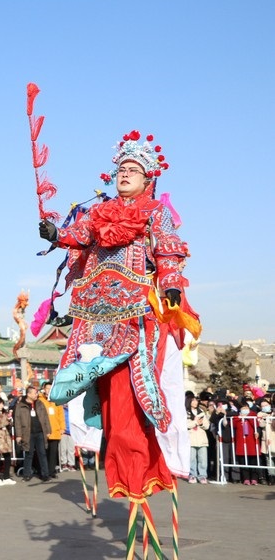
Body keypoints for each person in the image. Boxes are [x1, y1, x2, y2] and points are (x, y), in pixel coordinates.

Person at [38, 129, 200, 502]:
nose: (124, 174)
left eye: (132, 170)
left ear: (147, 178)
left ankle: (146, 468)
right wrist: (55, 234)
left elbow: (168, 250)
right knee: (106, 394)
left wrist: (171, 285)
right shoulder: (98, 211)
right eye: (121, 169)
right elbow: (77, 235)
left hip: (136, 311)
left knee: (135, 391)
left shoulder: (155, 211)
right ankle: (110, 451)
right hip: (95, 313)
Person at [14, 386, 51, 482]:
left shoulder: (40, 403)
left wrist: (48, 430)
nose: (36, 395)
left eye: (36, 393)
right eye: (34, 393)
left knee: (42, 453)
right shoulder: (20, 405)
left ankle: (45, 475)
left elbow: (46, 417)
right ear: (28, 394)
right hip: (27, 433)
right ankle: (27, 475)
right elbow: (17, 421)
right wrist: (18, 435)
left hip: (40, 432)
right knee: (28, 454)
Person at [38, 380, 65, 478]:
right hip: (44, 431)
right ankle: (44, 472)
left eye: (50, 388)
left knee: (53, 453)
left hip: (55, 430)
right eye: (47, 388)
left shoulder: (57, 401)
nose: (49, 390)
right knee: (43, 452)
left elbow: (61, 415)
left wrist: (62, 427)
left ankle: (51, 471)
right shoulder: (40, 400)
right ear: (44, 389)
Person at [186, 395, 210, 483]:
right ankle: (192, 475)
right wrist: (195, 422)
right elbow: (186, 425)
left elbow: (207, 426)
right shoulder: (186, 413)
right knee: (191, 458)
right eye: (193, 400)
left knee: (203, 459)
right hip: (191, 438)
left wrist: (201, 423)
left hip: (202, 438)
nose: (195, 402)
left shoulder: (202, 412)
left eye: (196, 400)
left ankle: (202, 476)